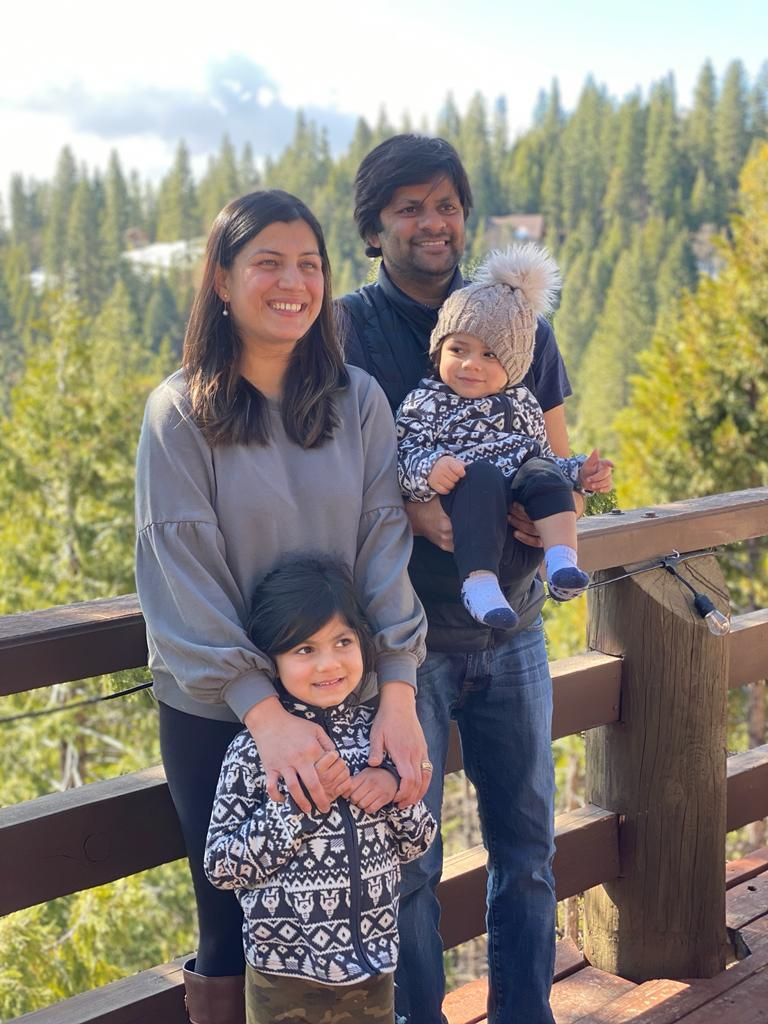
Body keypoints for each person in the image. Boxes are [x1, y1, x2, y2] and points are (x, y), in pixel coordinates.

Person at [135, 189, 430, 1024]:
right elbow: (181, 573)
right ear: (222, 280)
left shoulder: (358, 400)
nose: (293, 281)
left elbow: (383, 544)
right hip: (223, 709)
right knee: (234, 918)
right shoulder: (179, 414)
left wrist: (400, 693)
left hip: (348, 691)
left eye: (310, 263)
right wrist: (267, 717)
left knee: (365, 891)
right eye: (268, 261)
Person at [339, 135, 606, 1024]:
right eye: (409, 207)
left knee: (527, 851)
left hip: (514, 628)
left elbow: (554, 457)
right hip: (399, 649)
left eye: (446, 203)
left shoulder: (519, 323)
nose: (432, 222)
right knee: (409, 864)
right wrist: (413, 508)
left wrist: (547, 509)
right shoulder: (348, 330)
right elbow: (326, 475)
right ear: (374, 227)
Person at [204, 557, 437, 1024]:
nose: (328, 663)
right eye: (304, 650)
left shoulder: (380, 736)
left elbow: (418, 844)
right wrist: (298, 809)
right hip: (284, 976)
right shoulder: (256, 751)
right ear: (271, 659)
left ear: (364, 645)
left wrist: (393, 792)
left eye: (343, 642)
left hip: (373, 966)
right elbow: (221, 866)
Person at [397, 244, 614, 628]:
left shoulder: (523, 402)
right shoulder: (425, 401)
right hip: (471, 505)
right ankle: (479, 585)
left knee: (542, 471)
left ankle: (561, 561)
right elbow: (405, 456)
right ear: (438, 350)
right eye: (458, 349)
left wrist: (580, 474)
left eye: (489, 355)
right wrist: (431, 468)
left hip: (521, 511)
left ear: (512, 366)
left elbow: (547, 457)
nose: (470, 364)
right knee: (479, 475)